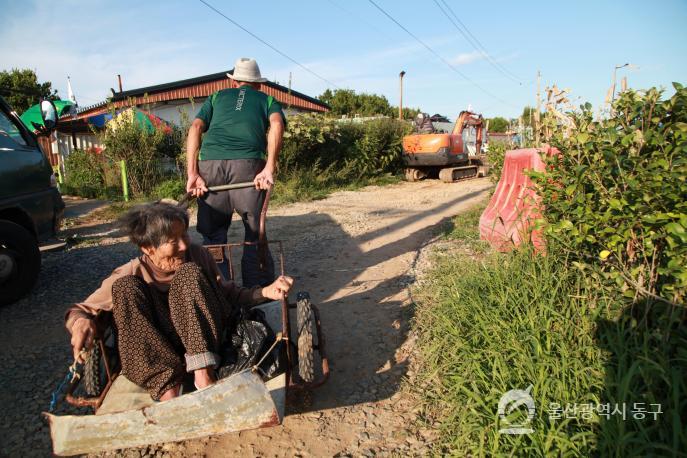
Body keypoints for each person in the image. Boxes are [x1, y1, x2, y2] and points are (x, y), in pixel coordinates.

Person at [65, 202, 293, 402]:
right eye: (173, 240)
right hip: (163, 346)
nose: (183, 246)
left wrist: (265, 291)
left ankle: (204, 374)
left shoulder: (196, 255)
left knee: (188, 274)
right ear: (148, 248)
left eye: (184, 235)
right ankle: (168, 390)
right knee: (124, 289)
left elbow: (228, 293)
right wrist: (79, 323)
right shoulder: (132, 271)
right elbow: (80, 310)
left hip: (206, 338)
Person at [186, 57, 285, 288]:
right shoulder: (267, 99)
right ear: (258, 84)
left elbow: (196, 127)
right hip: (249, 166)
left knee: (213, 237)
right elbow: (277, 125)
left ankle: (221, 292)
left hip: (210, 166)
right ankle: (257, 293)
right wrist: (269, 167)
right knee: (254, 234)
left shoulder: (217, 96)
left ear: (234, 82)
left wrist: (193, 173)